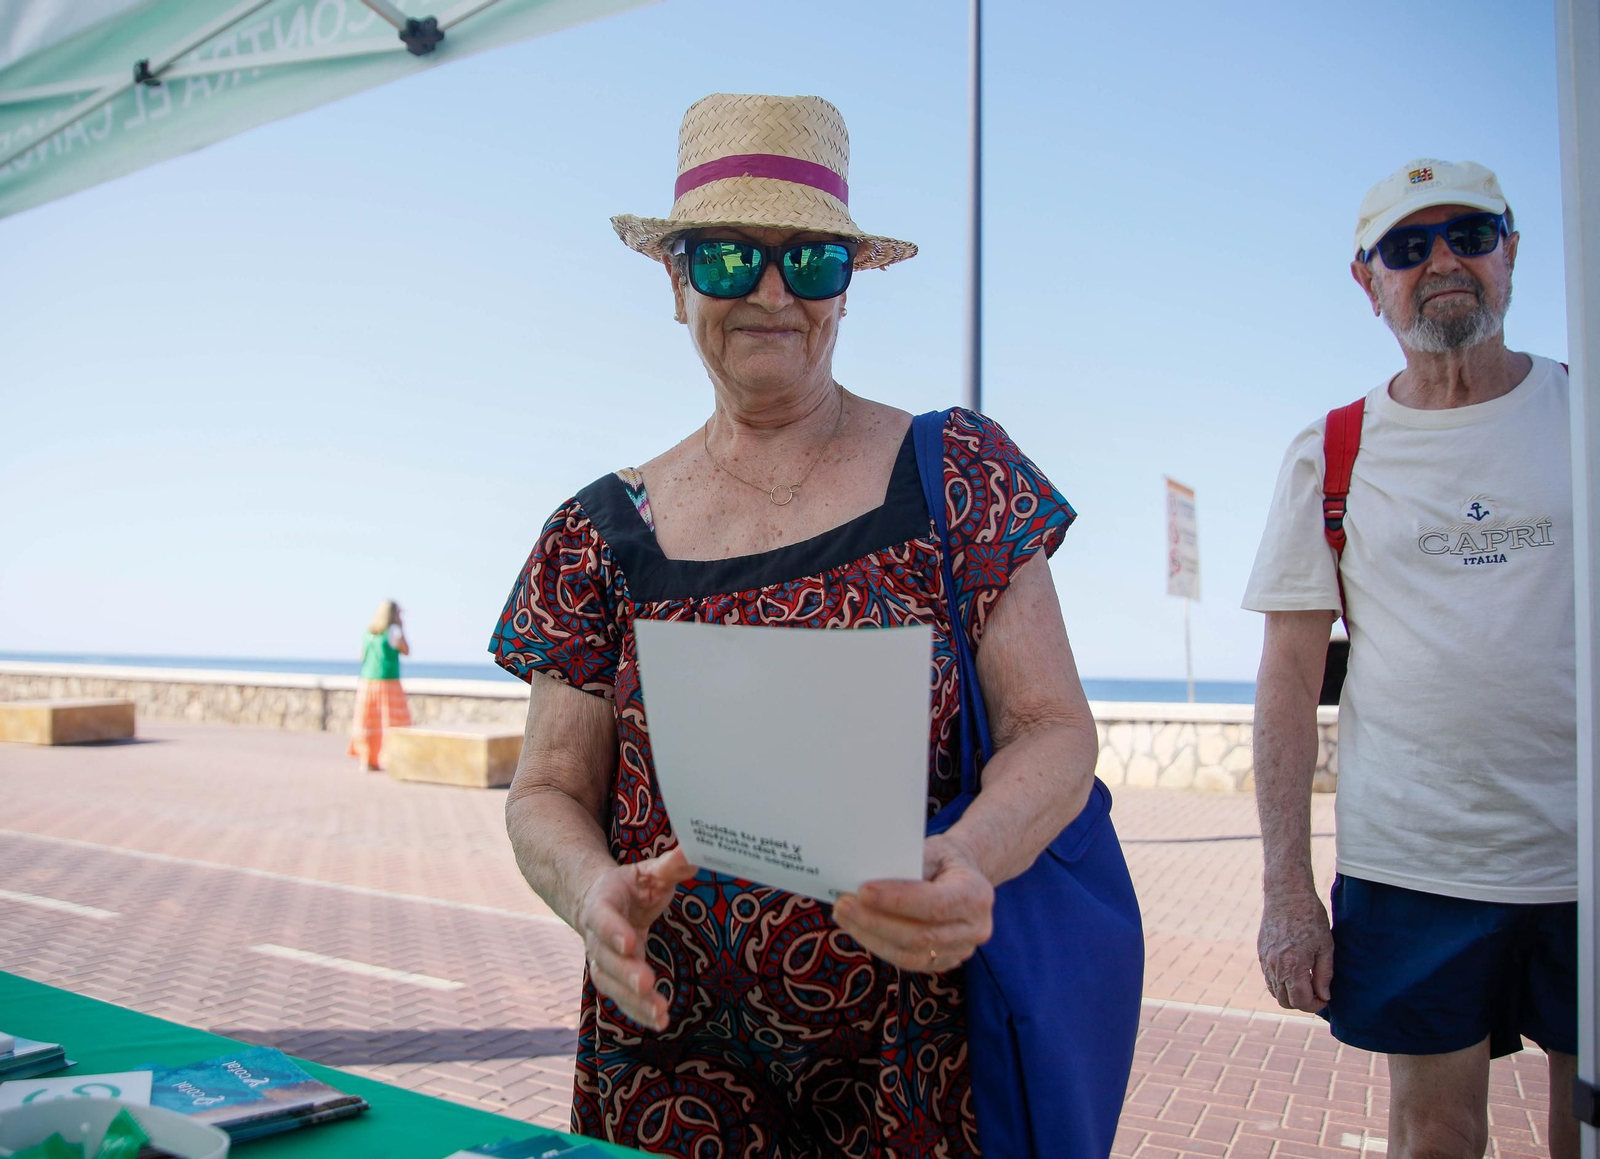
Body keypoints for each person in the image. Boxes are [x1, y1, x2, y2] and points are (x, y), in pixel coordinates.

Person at [490, 93, 1123, 1157]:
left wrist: (970, 857)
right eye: (733, 259)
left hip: (920, 1056)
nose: (773, 292)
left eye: (812, 261)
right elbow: (547, 789)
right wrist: (590, 890)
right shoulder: (597, 533)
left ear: (848, 286)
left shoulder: (958, 474)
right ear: (675, 277)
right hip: (669, 1054)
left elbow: (1055, 730)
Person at [1244, 159, 1577, 1159]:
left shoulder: (1582, 413)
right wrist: (1286, 891)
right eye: (1407, 245)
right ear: (1368, 280)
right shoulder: (1332, 450)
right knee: (1434, 1134)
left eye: (1469, 235)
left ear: (1510, 253)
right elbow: (1288, 683)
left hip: (1583, 857)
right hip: (1414, 864)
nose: (1442, 261)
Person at [348, 598, 410, 771]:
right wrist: (402, 629)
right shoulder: (394, 631)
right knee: (391, 723)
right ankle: (391, 759)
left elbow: (362, 656)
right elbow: (406, 650)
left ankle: (366, 759)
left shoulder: (368, 633)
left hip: (367, 682)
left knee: (367, 722)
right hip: (388, 682)